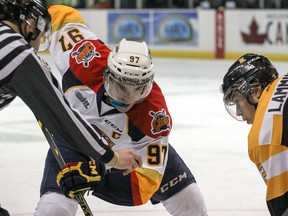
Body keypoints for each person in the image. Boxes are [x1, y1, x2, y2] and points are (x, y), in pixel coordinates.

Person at [34, 4, 208, 216]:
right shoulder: (84, 57)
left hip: (133, 152)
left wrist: (96, 177)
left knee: (192, 204)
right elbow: (59, 15)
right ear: (107, 75)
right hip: (73, 141)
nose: (128, 97)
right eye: (122, 86)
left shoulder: (154, 116)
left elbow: (143, 187)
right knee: (52, 211)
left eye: (139, 90)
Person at [0, 0, 142, 214]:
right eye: (41, 31)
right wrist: (111, 157)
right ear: (30, 23)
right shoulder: (16, 52)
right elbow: (61, 117)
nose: (40, 40)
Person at [220, 53, 288, 216]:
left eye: (237, 101)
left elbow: (283, 203)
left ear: (256, 92)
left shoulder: (264, 135)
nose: (239, 112)